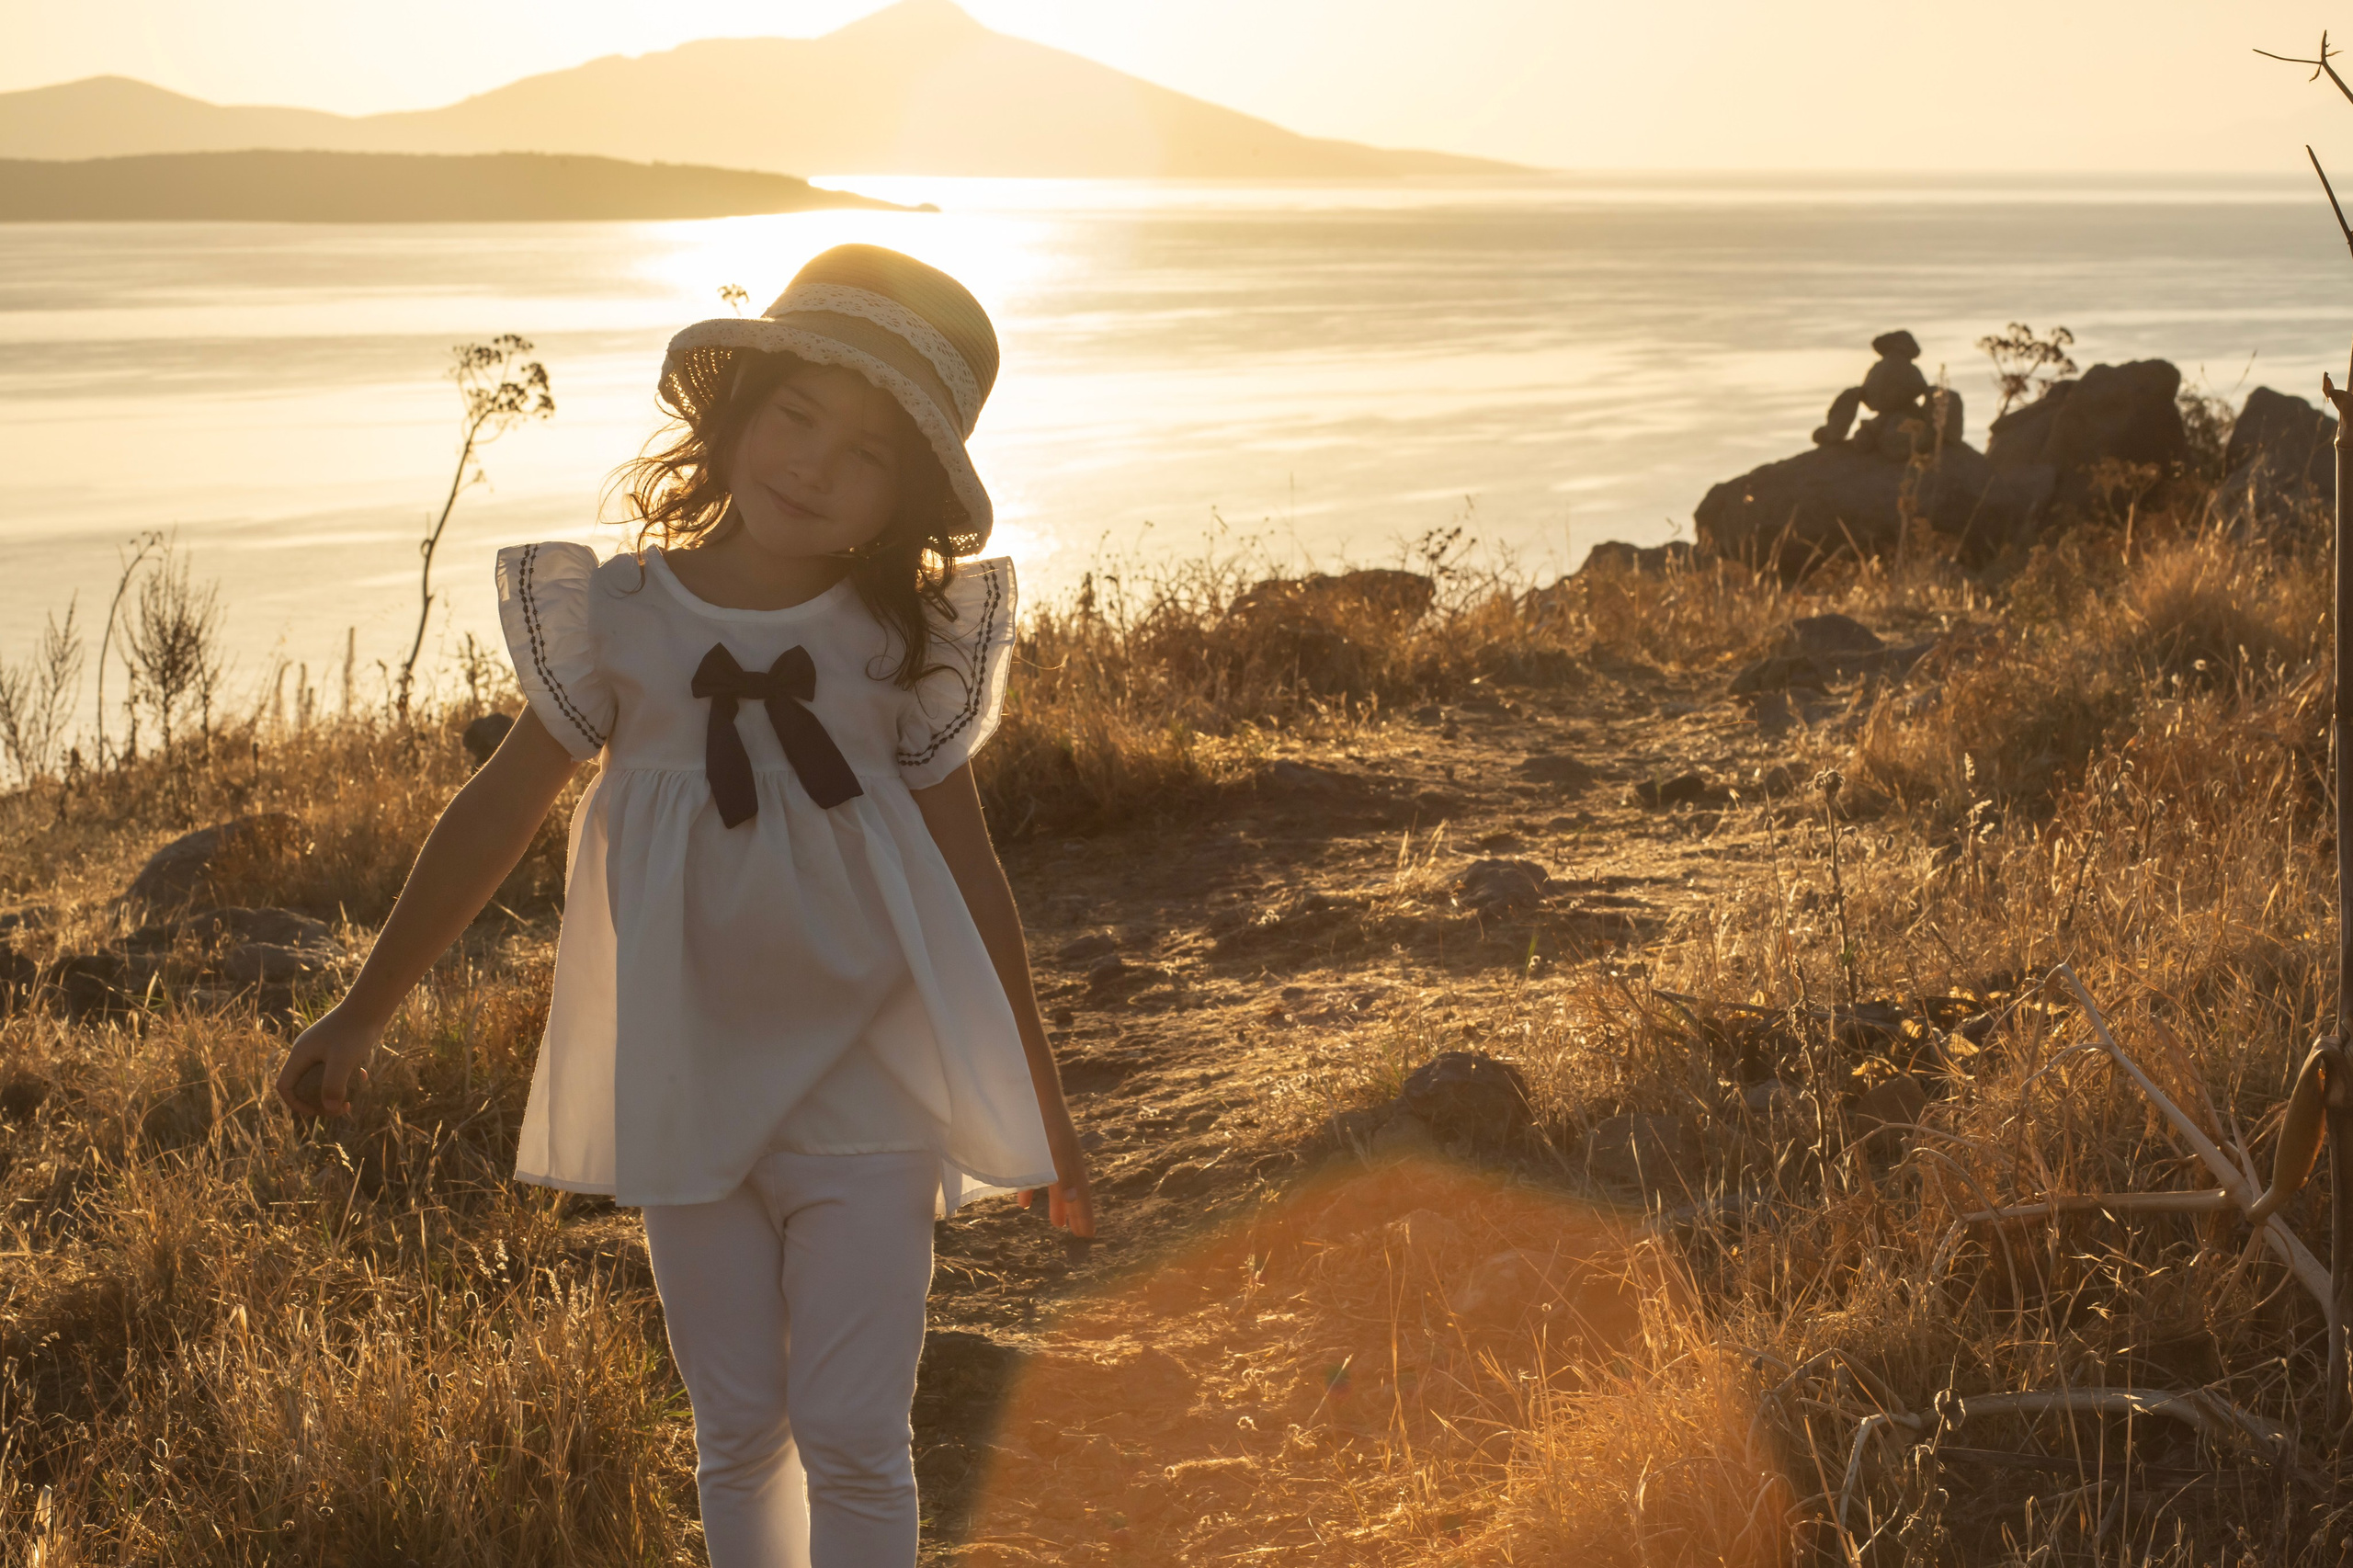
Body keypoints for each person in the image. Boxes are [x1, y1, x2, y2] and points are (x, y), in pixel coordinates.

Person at [275, 244, 1095, 1568]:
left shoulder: (901, 645)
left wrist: (1040, 1103)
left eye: (867, 453)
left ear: (907, 496)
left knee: (853, 1432)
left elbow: (972, 871)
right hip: (685, 1075)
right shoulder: (618, 619)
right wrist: (364, 1008)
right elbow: (496, 811)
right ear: (737, 411)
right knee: (739, 1430)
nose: (814, 466)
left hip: (871, 1083)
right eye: (797, 416)